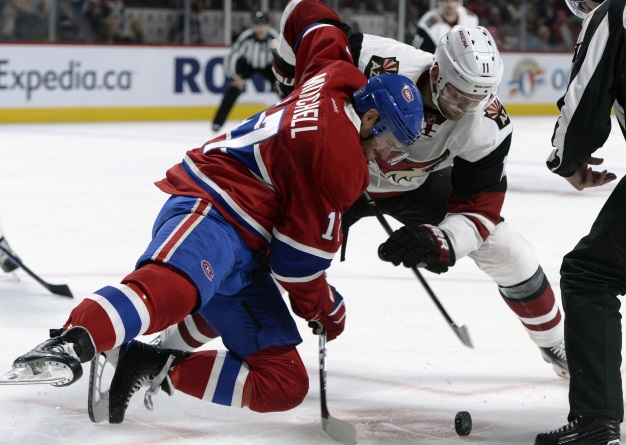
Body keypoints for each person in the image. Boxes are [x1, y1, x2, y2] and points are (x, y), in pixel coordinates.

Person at [3, 0, 424, 424]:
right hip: (216, 205)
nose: (389, 158)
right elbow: (295, 267)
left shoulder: (336, 72)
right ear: (371, 116)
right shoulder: (341, 163)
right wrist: (325, 307)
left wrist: (286, 69)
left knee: (284, 383)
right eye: (391, 143)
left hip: (247, 247)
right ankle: (71, 341)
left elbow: (306, 12)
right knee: (176, 288)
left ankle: (149, 361)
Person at [169, 0, 569, 380]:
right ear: (435, 73)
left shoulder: (488, 125)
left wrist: (442, 239)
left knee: (505, 246)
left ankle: (556, 345)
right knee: (257, 263)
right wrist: (293, 85)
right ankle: (166, 348)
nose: (466, 107)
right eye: (457, 95)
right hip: (328, 176)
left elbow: (480, 209)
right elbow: (301, 13)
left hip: (414, 186)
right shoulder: (375, 58)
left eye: (478, 98)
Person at [535, 0, 626, 444]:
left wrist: (567, 160)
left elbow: (584, 99)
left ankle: (596, 421)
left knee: (589, 274)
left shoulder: (618, 11)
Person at [210, 11, 278, 132]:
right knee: (233, 90)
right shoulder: (246, 37)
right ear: (254, 26)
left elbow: (282, 56)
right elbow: (232, 56)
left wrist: (281, 77)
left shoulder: (274, 37)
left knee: (284, 89)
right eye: (258, 25)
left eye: (263, 25)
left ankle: (291, 118)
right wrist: (233, 77)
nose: (261, 28)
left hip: (268, 66)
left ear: (268, 25)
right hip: (247, 65)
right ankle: (217, 123)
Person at [412, 0, 478, 53]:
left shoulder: (471, 19)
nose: (450, 5)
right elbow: (418, 54)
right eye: (446, 1)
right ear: (440, 2)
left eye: (453, 1)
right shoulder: (426, 24)